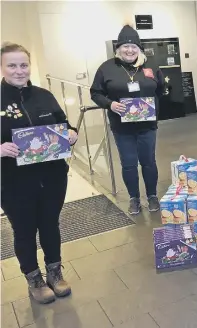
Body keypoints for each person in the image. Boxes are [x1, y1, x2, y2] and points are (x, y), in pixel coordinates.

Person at [1, 42, 78, 303]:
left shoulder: (44, 95)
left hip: (52, 176)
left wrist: (71, 133)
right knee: (23, 230)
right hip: (12, 181)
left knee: (49, 224)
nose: (19, 71)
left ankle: (54, 273)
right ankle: (34, 279)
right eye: (12, 65)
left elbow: (64, 125)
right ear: (2, 67)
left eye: (23, 65)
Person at [90, 25, 164, 215]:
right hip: (121, 127)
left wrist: (152, 106)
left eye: (133, 46)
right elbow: (95, 92)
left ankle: (152, 196)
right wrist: (110, 104)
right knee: (129, 163)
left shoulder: (150, 66)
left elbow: (161, 89)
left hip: (147, 125)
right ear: (118, 48)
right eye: (125, 46)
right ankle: (134, 198)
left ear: (139, 48)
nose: (129, 50)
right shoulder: (107, 68)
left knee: (148, 161)